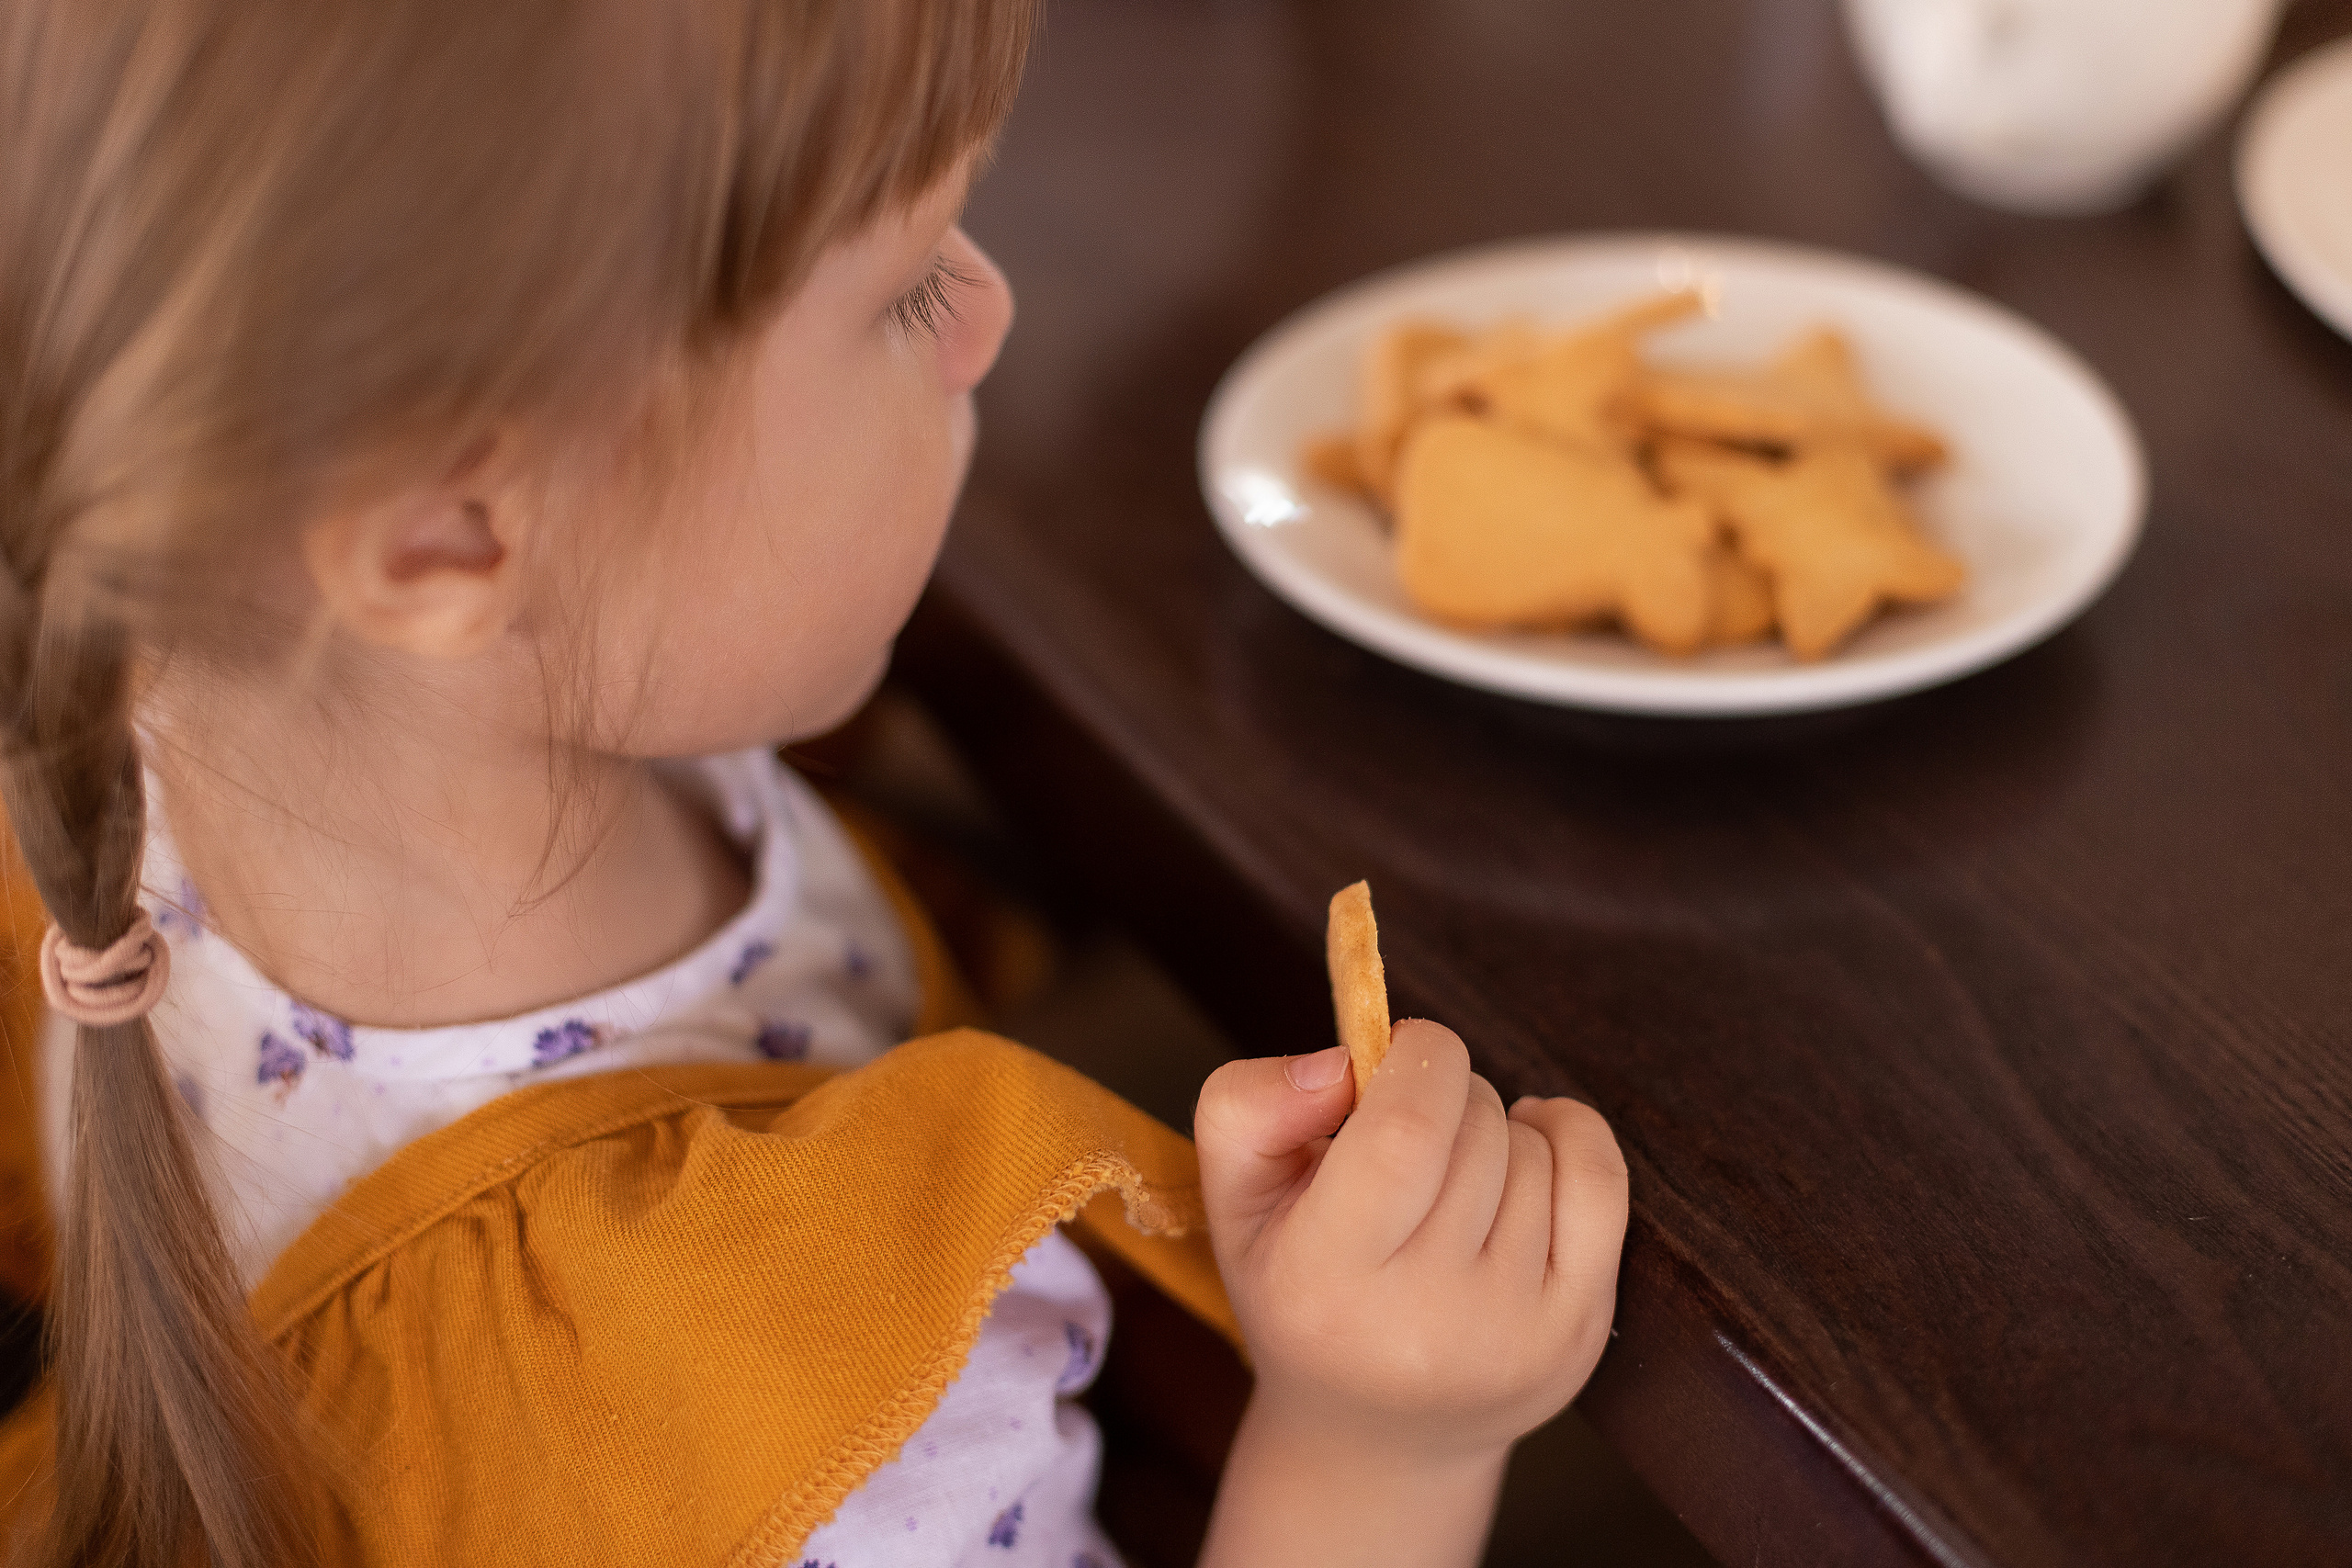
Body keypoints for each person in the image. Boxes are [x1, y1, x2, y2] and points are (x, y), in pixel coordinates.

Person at [0, 3, 1631, 1565]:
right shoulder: (815, 1423)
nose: (988, 312)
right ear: (448, 539)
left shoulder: (130, 702)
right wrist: (1381, 1442)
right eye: (910, 286)